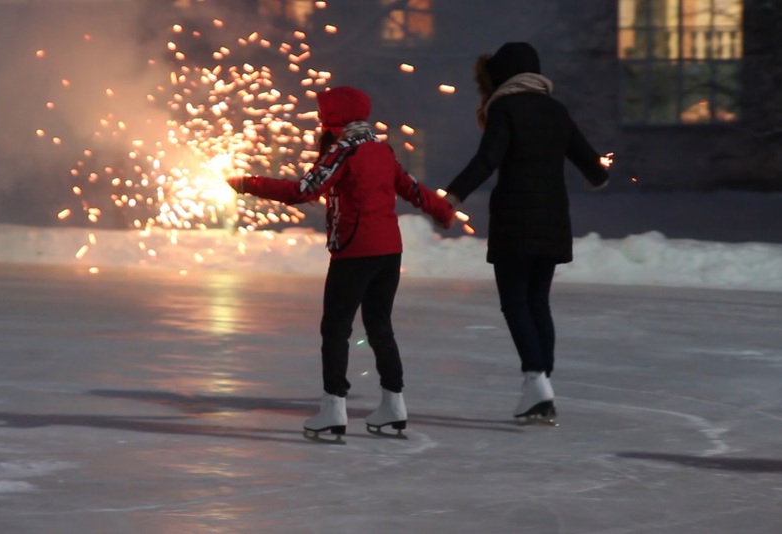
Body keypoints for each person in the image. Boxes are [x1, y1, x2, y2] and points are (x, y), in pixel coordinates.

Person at [226, 85, 455, 437]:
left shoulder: (343, 152)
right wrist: (443, 210)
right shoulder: (382, 150)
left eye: (323, 112)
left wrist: (247, 183)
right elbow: (412, 189)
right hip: (389, 253)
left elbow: (303, 191)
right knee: (380, 326)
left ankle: (333, 409)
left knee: (336, 329)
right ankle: (394, 405)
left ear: (335, 116)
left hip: (354, 251)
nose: (319, 118)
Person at [441, 42, 610, 424]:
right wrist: (599, 177)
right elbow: (590, 161)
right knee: (537, 302)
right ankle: (540, 386)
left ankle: (536, 380)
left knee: (515, 302)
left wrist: (452, 196)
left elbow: (488, 159)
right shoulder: (557, 110)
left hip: (516, 220)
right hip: (553, 220)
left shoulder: (505, 108)